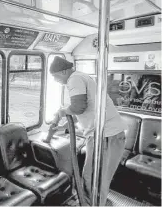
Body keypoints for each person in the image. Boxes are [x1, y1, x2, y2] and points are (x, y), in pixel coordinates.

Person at [49, 56, 127, 206]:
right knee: (94, 176)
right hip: (105, 134)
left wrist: (62, 111)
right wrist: (63, 127)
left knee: (94, 176)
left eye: (56, 76)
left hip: (106, 135)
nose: (55, 80)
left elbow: (79, 107)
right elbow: (87, 112)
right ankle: (93, 202)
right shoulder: (82, 77)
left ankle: (92, 204)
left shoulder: (74, 79)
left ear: (64, 71)